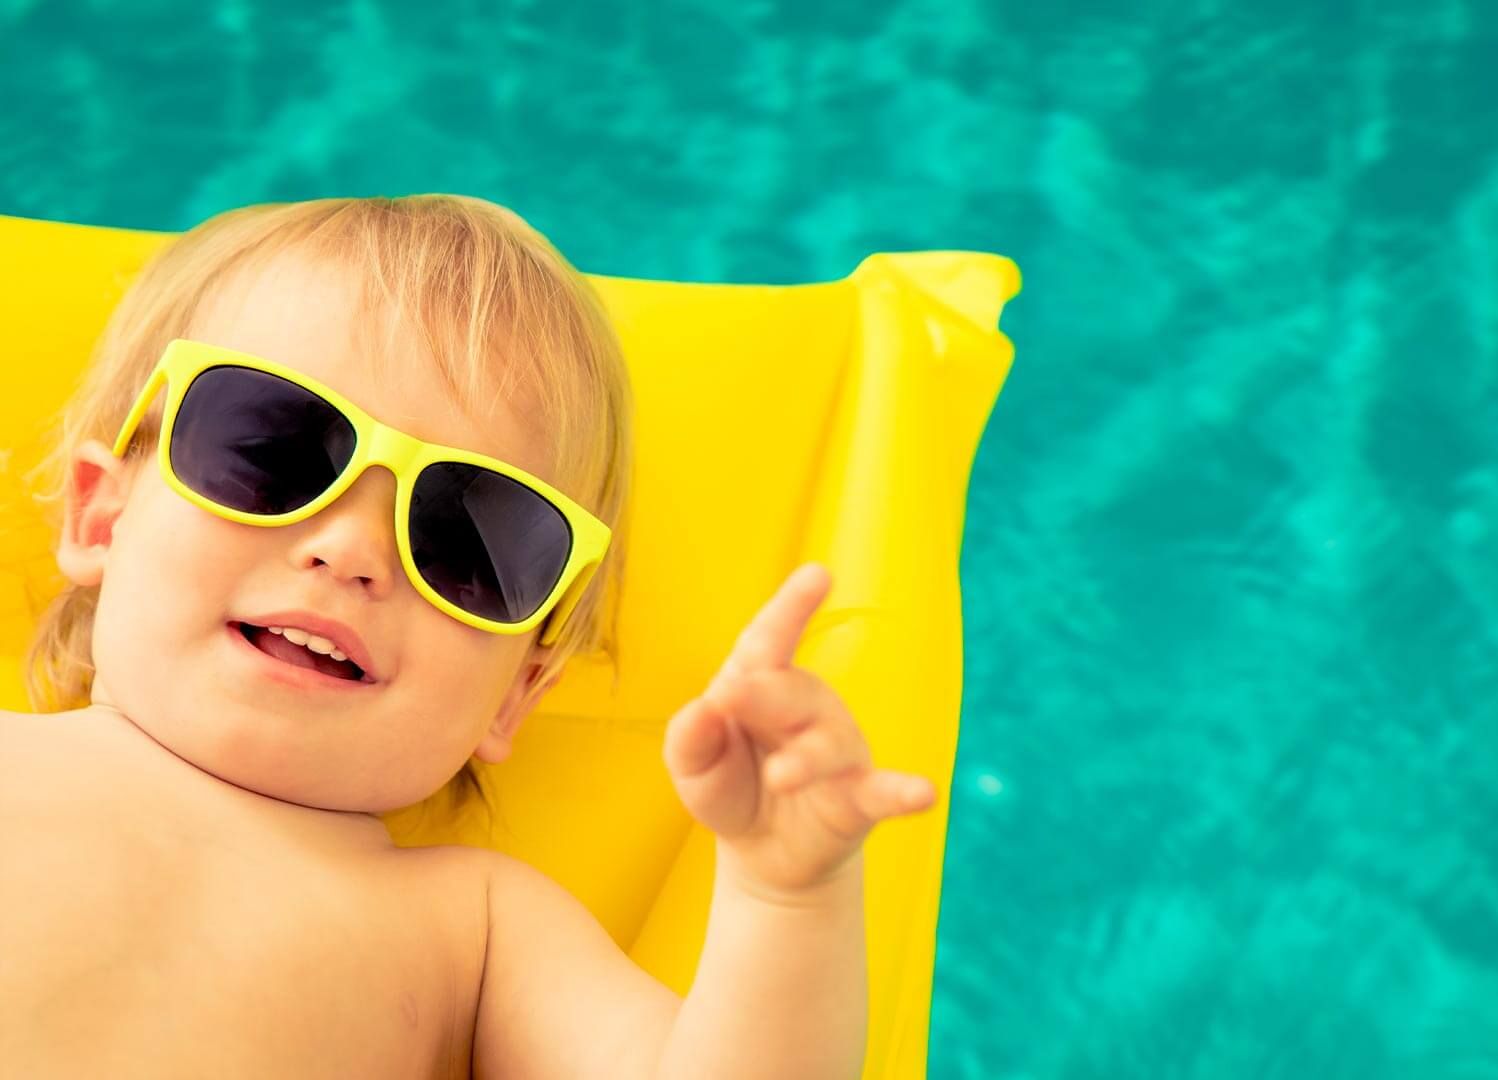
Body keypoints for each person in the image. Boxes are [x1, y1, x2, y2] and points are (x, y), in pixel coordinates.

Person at [0, 194, 938, 1078]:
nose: (353, 549)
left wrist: (785, 895)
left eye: (466, 538)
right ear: (100, 518)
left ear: (518, 691)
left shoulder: (476, 932)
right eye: (273, 453)